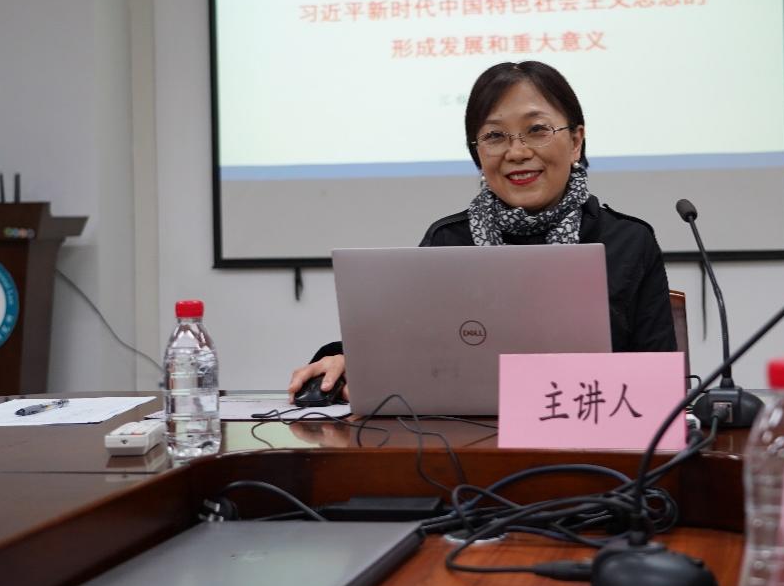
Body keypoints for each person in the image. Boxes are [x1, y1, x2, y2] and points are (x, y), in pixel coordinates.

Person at [287, 61, 676, 403]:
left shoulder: (627, 242)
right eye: (494, 136)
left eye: (537, 130)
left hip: (593, 445)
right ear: (477, 152)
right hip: (466, 446)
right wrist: (345, 359)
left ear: (575, 141)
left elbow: (662, 384)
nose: (517, 152)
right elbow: (398, 348)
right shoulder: (449, 241)